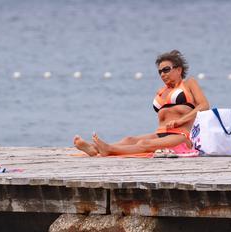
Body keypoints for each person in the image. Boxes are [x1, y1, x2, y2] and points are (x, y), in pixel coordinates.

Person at [74, 50, 209, 157]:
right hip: (161, 134)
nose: (162, 74)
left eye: (166, 69)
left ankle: (108, 150)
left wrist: (181, 121)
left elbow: (204, 105)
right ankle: (94, 148)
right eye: (160, 71)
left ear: (178, 70)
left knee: (144, 144)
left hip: (181, 135)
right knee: (129, 139)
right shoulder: (162, 91)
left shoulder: (189, 84)